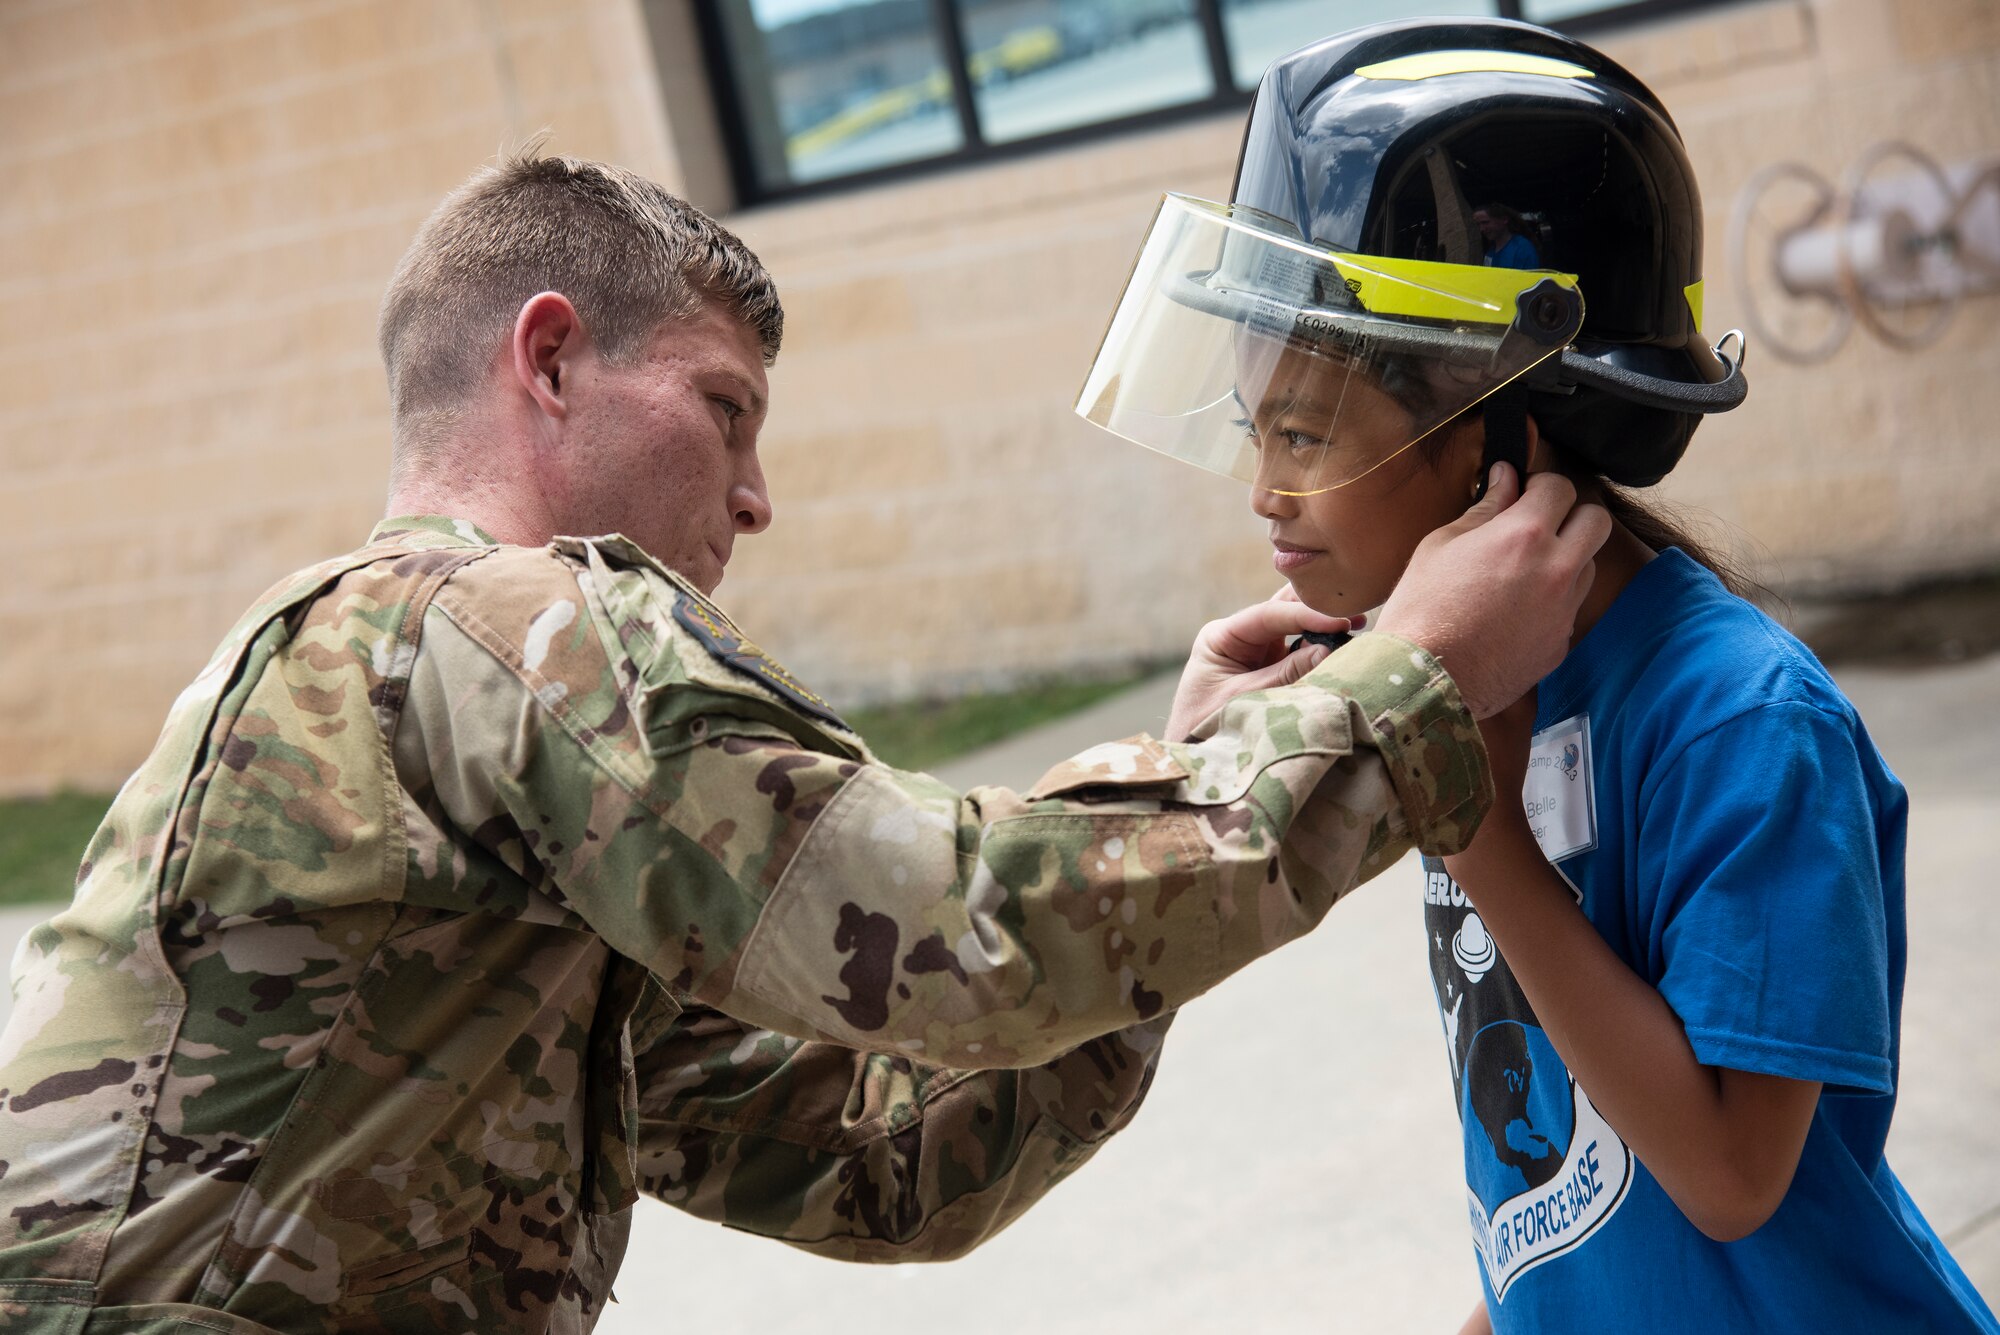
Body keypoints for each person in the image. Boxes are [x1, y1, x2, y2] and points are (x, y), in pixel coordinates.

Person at [0, 153, 1609, 1333]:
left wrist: (1204, 766)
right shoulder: (499, 628)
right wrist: (1411, 676)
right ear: (548, 359)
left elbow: (892, 1159)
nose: (758, 499)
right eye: (724, 411)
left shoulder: (440, 739)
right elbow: (960, 935)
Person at [1077, 16, 1998, 1335]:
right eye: (1252, 427)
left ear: (1492, 423)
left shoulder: (1736, 719)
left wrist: (1480, 831)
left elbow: (1732, 1175)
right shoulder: (1475, 684)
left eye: (1303, 430)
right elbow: (1571, 1169)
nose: (1266, 490)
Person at [1473, 203, 1540, 270]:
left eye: (1485, 222)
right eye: (1478, 224)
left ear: (1504, 219)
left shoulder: (1522, 248)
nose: (1481, 229)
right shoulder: (1490, 251)